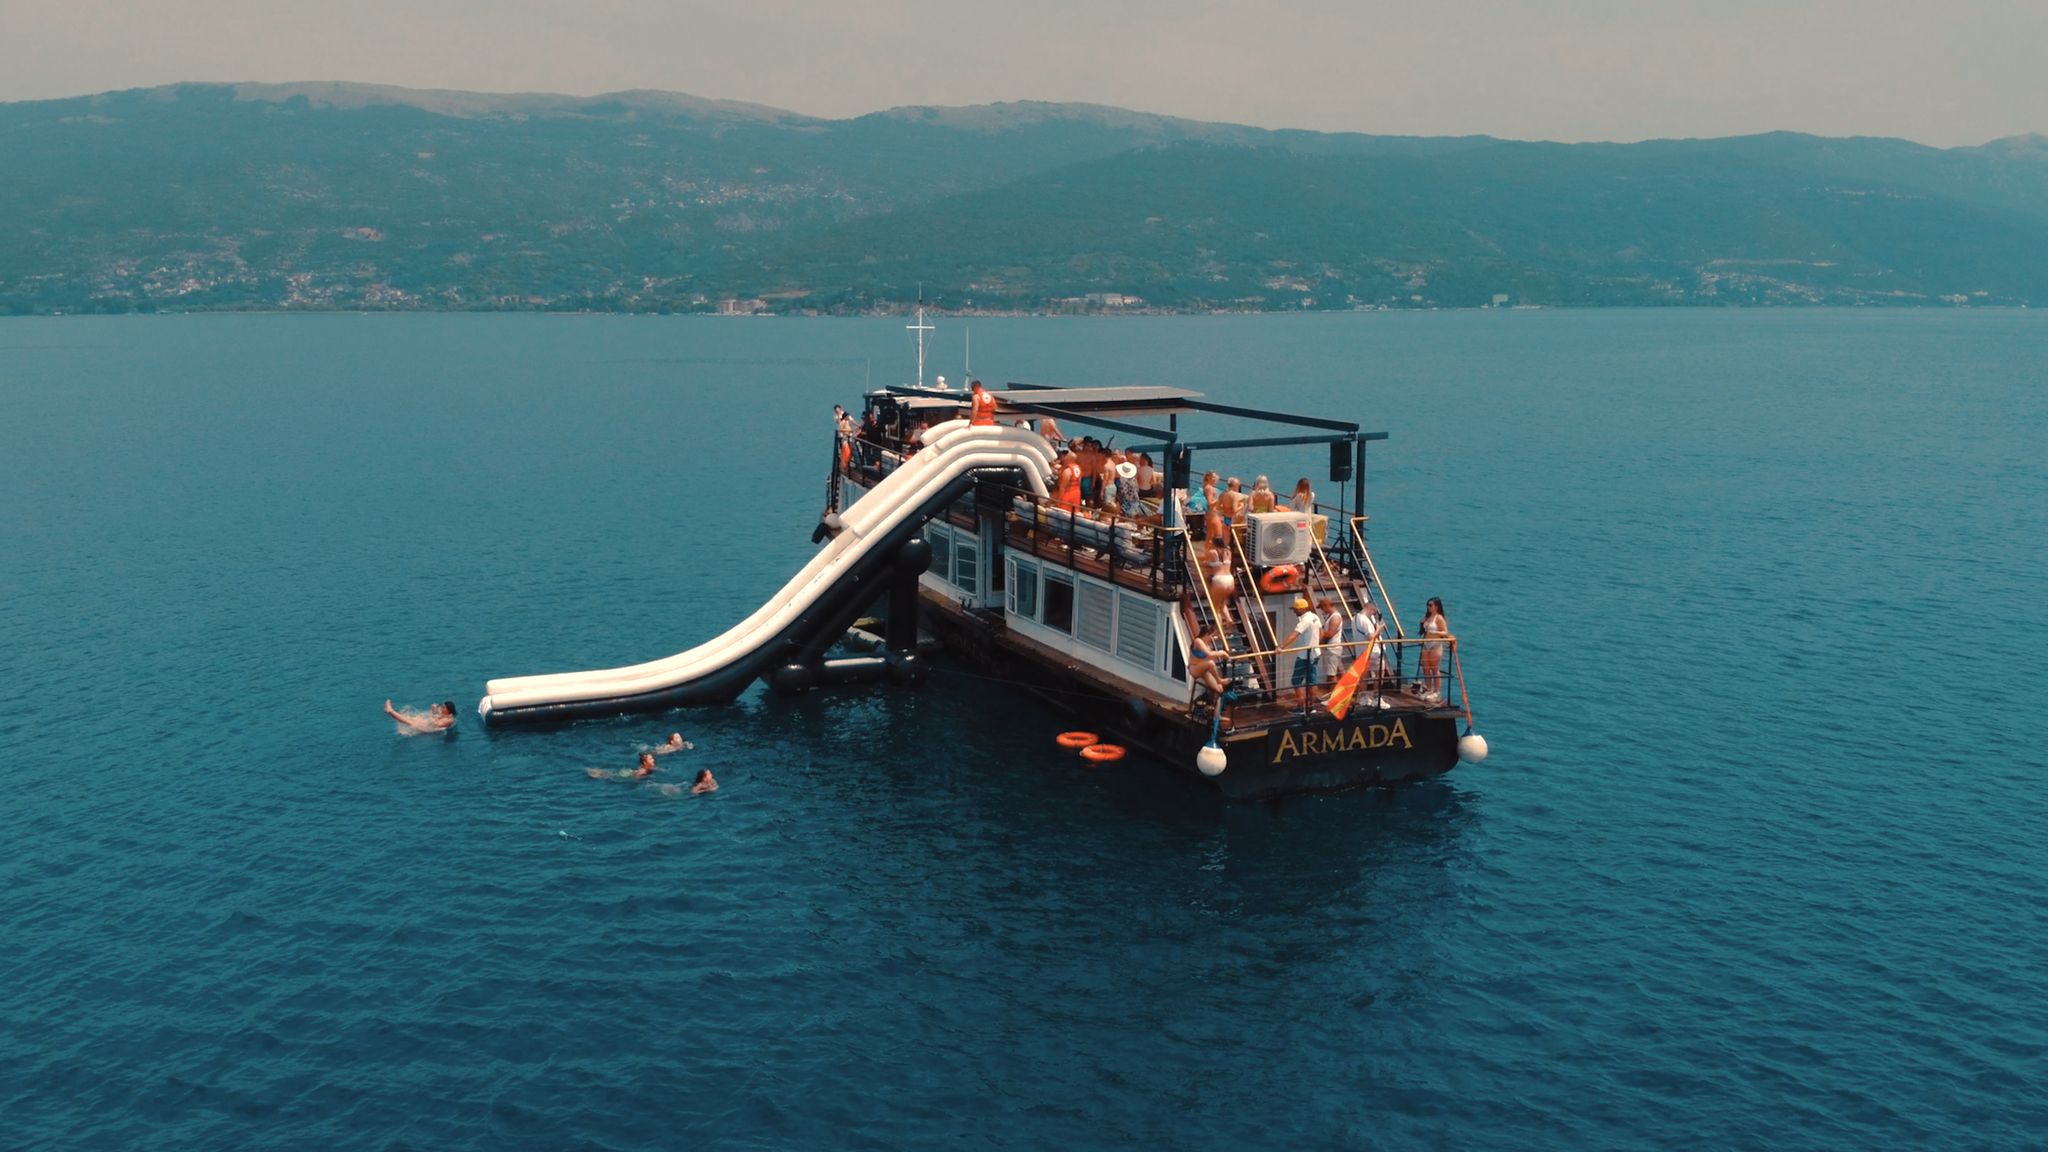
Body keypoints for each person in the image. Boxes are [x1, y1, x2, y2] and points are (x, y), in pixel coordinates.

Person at [1283, 596, 1323, 711]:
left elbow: (1294, 635)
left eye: (1295, 609)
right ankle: (1311, 707)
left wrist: (1281, 647)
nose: (1294, 611)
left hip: (1304, 656)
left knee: (1296, 680)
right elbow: (1321, 633)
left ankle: (1301, 707)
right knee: (1312, 681)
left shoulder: (1305, 621)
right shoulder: (1315, 617)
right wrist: (1315, 643)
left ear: (1301, 609)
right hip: (1315, 653)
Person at [1420, 597, 1450, 701]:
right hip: (1426, 644)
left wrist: (1436, 633)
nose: (1428, 607)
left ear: (1436, 606)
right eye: (1428, 605)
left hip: (1435, 644)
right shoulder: (1427, 617)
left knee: (1435, 668)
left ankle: (1437, 691)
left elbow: (1445, 632)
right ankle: (1429, 689)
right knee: (1426, 668)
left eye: (1430, 605)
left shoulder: (1439, 618)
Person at [1319, 598, 1348, 683]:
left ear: (1326, 606)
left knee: (1331, 675)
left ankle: (1334, 694)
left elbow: (1330, 634)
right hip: (1330, 649)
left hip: (1332, 649)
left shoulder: (1335, 617)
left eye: (1322, 608)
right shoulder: (1330, 616)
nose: (1322, 610)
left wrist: (1320, 630)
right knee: (1334, 672)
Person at [385, 699, 455, 733]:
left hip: (427, 728)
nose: (441, 708)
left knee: (406, 721)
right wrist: (433, 710)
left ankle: (390, 711)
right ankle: (391, 711)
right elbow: (435, 719)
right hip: (428, 724)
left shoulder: (449, 720)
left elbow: (436, 724)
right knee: (410, 718)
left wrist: (433, 713)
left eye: (443, 707)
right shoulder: (445, 714)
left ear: (448, 710)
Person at [588, 752, 659, 780]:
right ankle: (597, 773)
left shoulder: (649, 767)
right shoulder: (643, 770)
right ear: (645, 762)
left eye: (652, 758)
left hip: (629, 772)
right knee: (611, 775)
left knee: (612, 774)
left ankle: (598, 772)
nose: (653, 760)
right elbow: (636, 777)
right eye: (650, 759)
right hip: (628, 774)